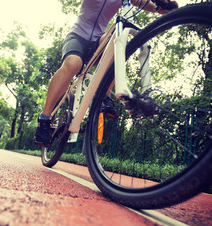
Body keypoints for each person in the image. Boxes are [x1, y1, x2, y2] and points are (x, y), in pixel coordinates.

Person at [34, 0, 178, 147]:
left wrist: (160, 7)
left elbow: (140, 2)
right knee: (73, 64)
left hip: (98, 42)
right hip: (77, 38)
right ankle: (44, 118)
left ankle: (105, 95)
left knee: (118, 41)